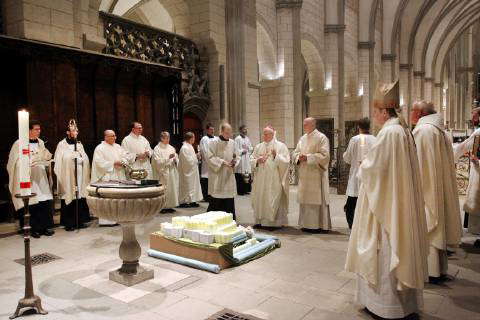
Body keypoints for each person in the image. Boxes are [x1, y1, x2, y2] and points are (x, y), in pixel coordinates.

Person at [345, 83, 429, 319]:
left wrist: (363, 168)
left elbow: (375, 170)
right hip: (396, 200)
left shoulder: (390, 133)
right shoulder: (402, 130)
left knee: (383, 250)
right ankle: (402, 304)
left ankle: (385, 306)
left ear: (384, 111)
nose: (374, 116)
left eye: (376, 111)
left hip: (386, 204)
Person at [411, 101, 462, 282]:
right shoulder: (439, 131)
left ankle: (430, 270)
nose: (410, 113)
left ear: (419, 113)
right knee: (436, 229)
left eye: (412, 110)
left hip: (427, 189)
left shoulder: (423, 131)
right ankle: (438, 269)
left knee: (429, 228)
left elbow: (419, 166)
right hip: (437, 187)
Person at [7, 120, 55, 238]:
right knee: (32, 202)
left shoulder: (41, 142)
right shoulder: (19, 143)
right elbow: (13, 163)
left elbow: (44, 155)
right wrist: (26, 163)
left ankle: (44, 227)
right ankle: (33, 229)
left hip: (40, 175)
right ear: (29, 130)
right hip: (28, 177)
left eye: (39, 129)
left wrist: (46, 160)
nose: (39, 131)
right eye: (36, 129)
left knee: (44, 200)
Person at [292, 117, 331, 233]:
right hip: (304, 174)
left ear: (313, 124)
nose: (304, 126)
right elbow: (295, 152)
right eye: (304, 124)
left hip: (316, 174)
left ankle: (318, 225)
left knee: (316, 200)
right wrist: (299, 157)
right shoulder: (302, 138)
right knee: (305, 200)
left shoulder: (321, 137)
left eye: (306, 124)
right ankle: (305, 224)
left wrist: (308, 157)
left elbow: (325, 156)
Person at [91, 129, 135, 226]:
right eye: (112, 136)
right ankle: (107, 221)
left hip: (119, 175)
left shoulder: (118, 146)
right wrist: (113, 163)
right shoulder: (100, 148)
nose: (115, 138)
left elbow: (125, 156)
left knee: (119, 198)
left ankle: (119, 218)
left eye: (115, 136)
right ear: (106, 137)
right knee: (108, 199)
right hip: (108, 176)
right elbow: (98, 163)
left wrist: (123, 162)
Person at [54, 120, 91, 231]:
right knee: (70, 196)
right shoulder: (62, 144)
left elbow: (85, 158)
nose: (76, 132)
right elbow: (59, 160)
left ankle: (80, 221)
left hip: (79, 175)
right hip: (68, 176)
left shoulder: (79, 144)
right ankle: (69, 223)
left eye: (76, 130)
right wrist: (71, 157)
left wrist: (80, 158)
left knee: (79, 196)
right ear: (67, 132)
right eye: (73, 130)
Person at [250, 126, 290, 229]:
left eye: (267, 134)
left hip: (274, 178)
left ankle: (273, 223)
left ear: (272, 134)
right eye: (264, 133)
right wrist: (257, 161)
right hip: (260, 178)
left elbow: (286, 162)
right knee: (260, 198)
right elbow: (251, 159)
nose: (264, 136)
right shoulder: (259, 146)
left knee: (272, 198)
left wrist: (276, 155)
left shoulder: (281, 146)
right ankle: (259, 221)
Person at [342, 118, 376, 230]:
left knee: (351, 205)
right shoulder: (375, 139)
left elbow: (347, 158)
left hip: (356, 176)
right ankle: (367, 227)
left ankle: (352, 226)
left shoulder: (354, 139)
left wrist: (345, 155)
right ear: (369, 127)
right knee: (367, 202)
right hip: (370, 177)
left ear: (358, 127)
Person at [453, 107, 480, 248]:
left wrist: (450, 154)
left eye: (474, 115)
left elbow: (463, 147)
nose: (472, 118)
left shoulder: (478, 132)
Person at [206, 123, 239, 218]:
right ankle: (213, 220)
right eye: (226, 132)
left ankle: (229, 220)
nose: (228, 135)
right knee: (217, 198)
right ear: (221, 131)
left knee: (229, 198)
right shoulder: (213, 142)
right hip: (218, 174)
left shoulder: (232, 142)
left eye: (230, 133)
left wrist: (234, 162)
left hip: (228, 174)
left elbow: (236, 155)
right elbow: (209, 157)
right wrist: (222, 162)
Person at [152, 131, 179, 213]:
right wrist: (168, 158)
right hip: (163, 172)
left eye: (168, 138)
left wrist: (175, 159)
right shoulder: (157, 148)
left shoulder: (171, 147)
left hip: (171, 171)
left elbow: (176, 158)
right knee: (164, 190)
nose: (168, 139)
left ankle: (170, 205)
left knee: (171, 189)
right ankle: (162, 207)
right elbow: (157, 162)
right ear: (161, 138)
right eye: (166, 138)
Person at [178, 132, 203, 208]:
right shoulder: (184, 148)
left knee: (193, 186)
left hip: (192, 170)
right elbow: (187, 161)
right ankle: (184, 201)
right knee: (187, 186)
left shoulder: (190, 146)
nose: (194, 139)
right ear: (190, 138)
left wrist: (196, 156)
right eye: (193, 137)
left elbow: (191, 158)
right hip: (187, 171)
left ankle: (192, 200)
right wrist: (196, 158)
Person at [199, 123, 216, 201]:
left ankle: (213, 195)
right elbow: (204, 150)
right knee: (206, 178)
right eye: (210, 129)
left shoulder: (216, 138)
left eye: (213, 129)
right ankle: (206, 196)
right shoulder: (204, 139)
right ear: (207, 130)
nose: (212, 131)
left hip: (215, 162)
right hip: (207, 163)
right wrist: (210, 160)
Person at [234, 125, 253, 195]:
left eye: (246, 129)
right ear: (240, 130)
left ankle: (246, 189)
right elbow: (235, 149)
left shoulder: (247, 139)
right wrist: (241, 151)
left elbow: (250, 147)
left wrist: (249, 149)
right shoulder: (237, 139)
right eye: (244, 129)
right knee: (240, 174)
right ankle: (240, 190)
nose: (245, 131)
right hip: (241, 159)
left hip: (246, 158)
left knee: (247, 173)